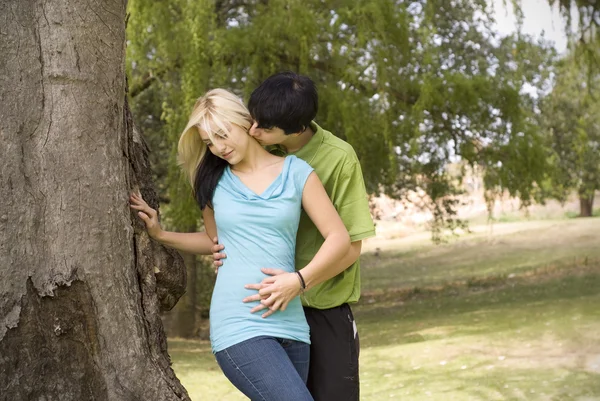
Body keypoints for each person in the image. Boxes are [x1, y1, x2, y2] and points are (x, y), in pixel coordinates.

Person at [129, 89, 350, 401]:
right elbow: (214, 241)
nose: (218, 147)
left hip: (292, 325)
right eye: (209, 142)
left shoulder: (296, 172)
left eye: (223, 134)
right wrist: (161, 235)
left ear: (246, 122)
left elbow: (339, 238)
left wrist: (299, 281)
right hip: (239, 324)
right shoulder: (212, 181)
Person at [212, 72, 376, 400]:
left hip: (321, 308)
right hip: (270, 313)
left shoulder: (338, 159)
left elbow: (351, 247)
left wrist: (299, 282)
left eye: (264, 128)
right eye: (253, 120)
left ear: (297, 129)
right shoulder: (247, 150)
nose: (253, 131)